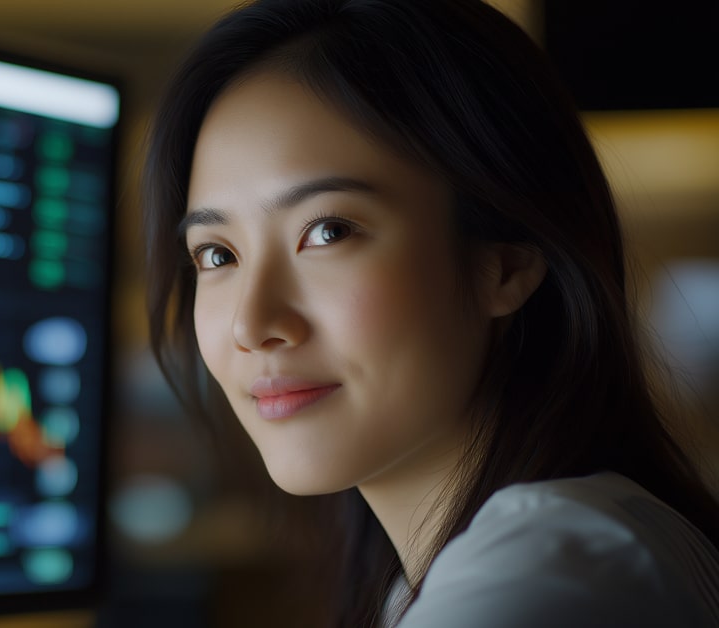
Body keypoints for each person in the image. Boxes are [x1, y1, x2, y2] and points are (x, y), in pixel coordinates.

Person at [141, 0, 719, 626]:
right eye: (217, 253)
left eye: (328, 231)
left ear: (505, 264)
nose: (252, 326)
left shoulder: (551, 574)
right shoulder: (517, 558)